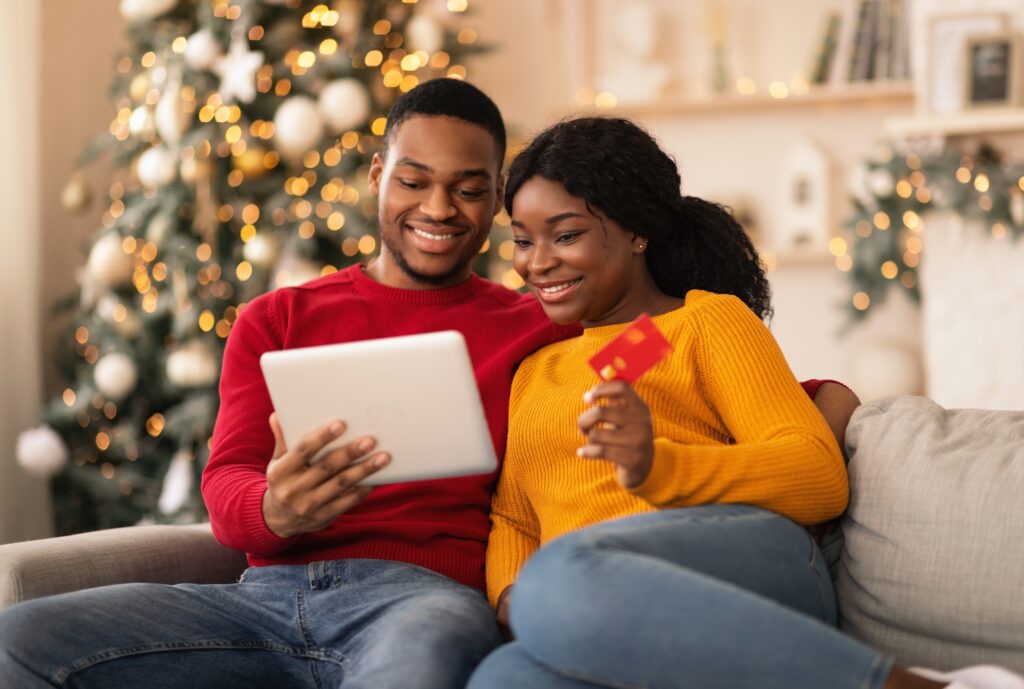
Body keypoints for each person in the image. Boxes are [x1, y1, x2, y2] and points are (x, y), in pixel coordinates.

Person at [0, 78, 572, 689]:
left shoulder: (538, 327)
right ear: (378, 175)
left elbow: (657, 344)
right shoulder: (277, 318)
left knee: (418, 666)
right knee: (19, 640)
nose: (437, 209)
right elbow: (225, 485)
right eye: (414, 182)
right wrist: (274, 509)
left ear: (497, 199)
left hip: (423, 601)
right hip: (263, 602)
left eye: (468, 190)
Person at [467, 117, 1024, 689]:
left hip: (742, 562)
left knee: (562, 574)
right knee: (503, 676)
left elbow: (818, 473)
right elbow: (514, 516)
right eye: (523, 240)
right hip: (594, 599)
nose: (537, 263)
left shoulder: (704, 322)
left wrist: (659, 467)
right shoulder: (537, 371)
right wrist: (515, 596)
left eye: (565, 235)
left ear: (637, 231)